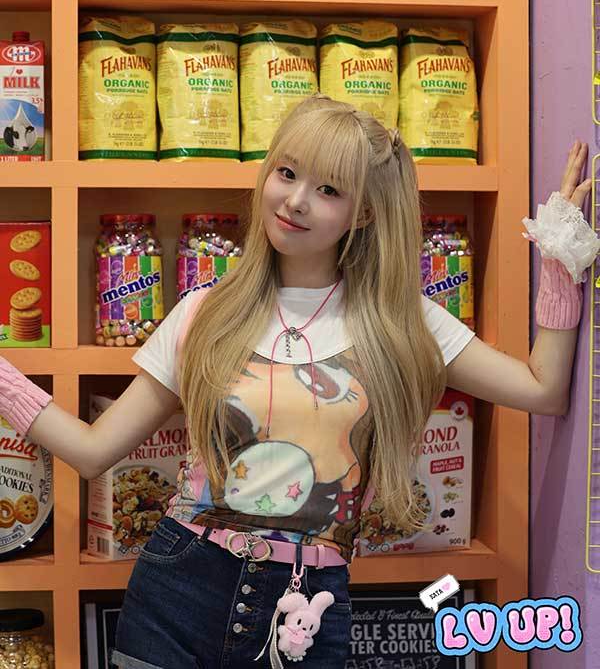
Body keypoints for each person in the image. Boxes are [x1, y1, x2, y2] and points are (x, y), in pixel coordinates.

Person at [0, 94, 596, 669]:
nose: (296, 201)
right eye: (286, 173)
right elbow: (93, 450)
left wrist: (560, 257)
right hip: (176, 591)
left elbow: (542, 389)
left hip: (308, 612)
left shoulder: (401, 322)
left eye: (328, 190)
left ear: (364, 213)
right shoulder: (204, 313)